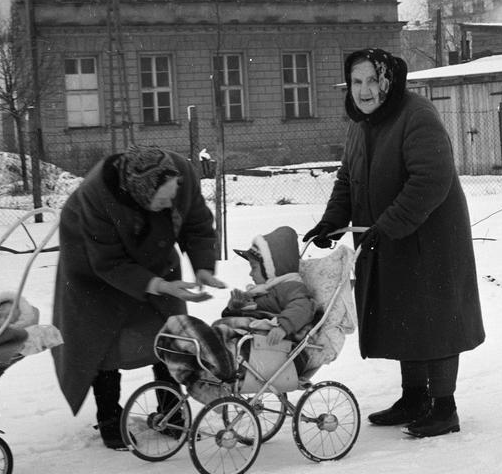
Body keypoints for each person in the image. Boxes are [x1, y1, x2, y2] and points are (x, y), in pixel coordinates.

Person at [303, 47, 485, 438]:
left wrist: (387, 225)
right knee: (407, 314)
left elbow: (431, 179)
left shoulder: (417, 115)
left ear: (388, 81)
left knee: (435, 318)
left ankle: (444, 408)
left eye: (373, 80)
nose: (364, 90)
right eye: (356, 81)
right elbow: (348, 180)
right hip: (391, 236)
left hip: (431, 238)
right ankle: (414, 398)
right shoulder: (361, 124)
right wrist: (331, 222)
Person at [52, 146, 225, 448]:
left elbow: (195, 221)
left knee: (168, 331)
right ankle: (109, 419)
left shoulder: (179, 175)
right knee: (103, 338)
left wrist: (203, 267)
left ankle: (171, 412)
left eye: (173, 194)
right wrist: (159, 285)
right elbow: (108, 263)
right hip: (92, 262)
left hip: (154, 251)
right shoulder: (97, 196)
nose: (171, 202)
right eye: (163, 199)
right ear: (143, 194)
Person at [158, 225, 317, 396]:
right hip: (246, 342)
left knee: (186, 328)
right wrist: (235, 308)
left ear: (271, 269)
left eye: (254, 268)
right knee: (198, 336)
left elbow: (302, 306)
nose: (250, 274)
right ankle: (203, 377)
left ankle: (218, 364)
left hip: (261, 348)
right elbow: (245, 318)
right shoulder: (263, 291)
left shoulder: (291, 287)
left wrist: (283, 327)